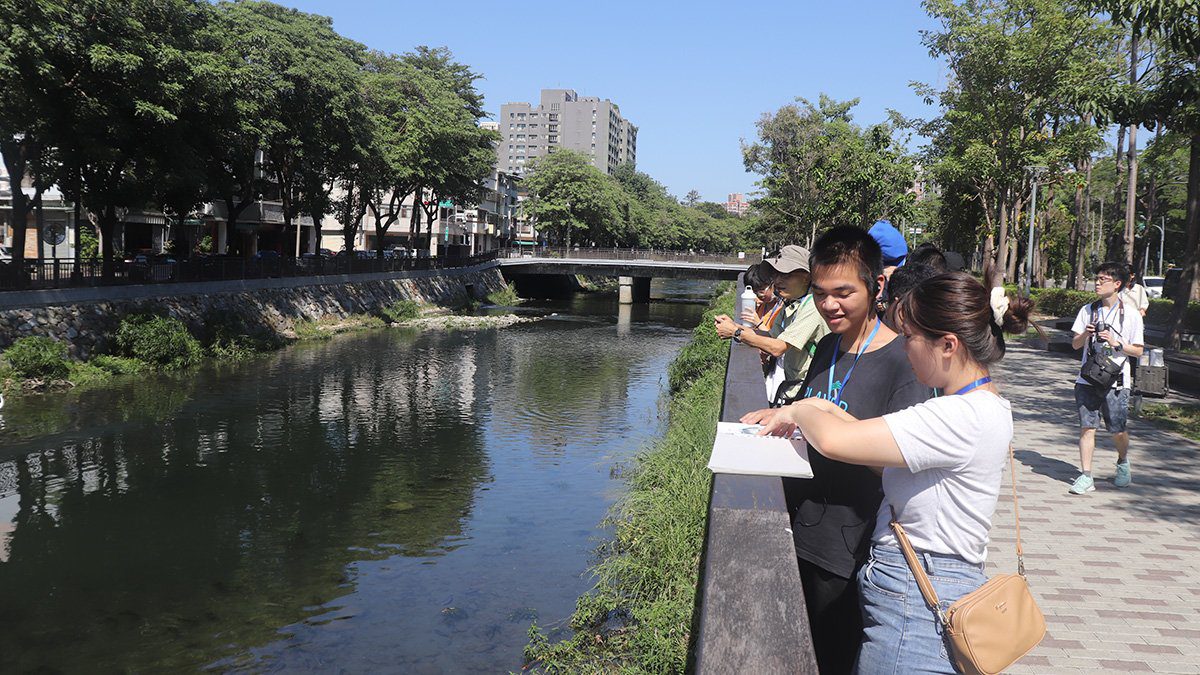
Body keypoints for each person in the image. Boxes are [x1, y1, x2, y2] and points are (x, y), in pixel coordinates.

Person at [755, 268, 1033, 674]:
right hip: (929, 584)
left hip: (916, 599)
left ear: (948, 345)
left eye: (911, 338)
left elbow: (834, 443)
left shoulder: (956, 416)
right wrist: (827, 410)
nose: (905, 349)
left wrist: (797, 408)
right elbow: (882, 454)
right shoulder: (984, 406)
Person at [741, 227, 931, 674]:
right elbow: (805, 421)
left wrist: (828, 427)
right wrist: (777, 421)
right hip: (798, 524)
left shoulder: (905, 364)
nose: (830, 306)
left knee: (831, 657)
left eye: (843, 293)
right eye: (822, 293)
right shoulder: (828, 345)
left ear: (877, 286)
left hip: (850, 548)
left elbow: (897, 469)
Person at [715, 246, 828, 403]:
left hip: (813, 395)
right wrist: (735, 325)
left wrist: (736, 332)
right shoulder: (791, 302)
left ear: (807, 277)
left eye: (786, 275)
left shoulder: (813, 306)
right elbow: (770, 336)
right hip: (797, 391)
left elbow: (777, 348)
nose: (778, 281)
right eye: (776, 275)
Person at [1069, 262, 1145, 494]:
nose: (1098, 283)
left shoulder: (1131, 315)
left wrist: (1116, 343)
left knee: (1117, 430)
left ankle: (1122, 461)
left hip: (1117, 381)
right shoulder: (1088, 310)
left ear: (1117, 284)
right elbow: (1074, 344)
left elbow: (1139, 350)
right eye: (1097, 278)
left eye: (1104, 279)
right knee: (1087, 427)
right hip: (1088, 379)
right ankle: (1086, 476)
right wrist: (1086, 333)